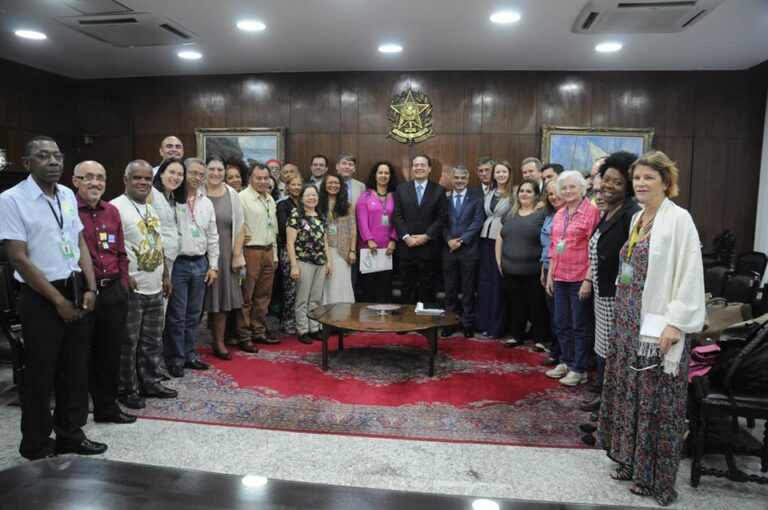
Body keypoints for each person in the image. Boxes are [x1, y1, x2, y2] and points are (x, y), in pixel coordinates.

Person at [598, 151, 705, 506]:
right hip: (629, 322)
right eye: (638, 178)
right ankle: (630, 460)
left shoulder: (679, 220)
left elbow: (690, 274)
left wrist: (676, 323)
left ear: (665, 182)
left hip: (659, 326)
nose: (641, 184)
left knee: (655, 403)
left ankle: (655, 477)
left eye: (649, 178)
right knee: (631, 396)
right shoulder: (638, 219)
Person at [0, 136, 106, 459]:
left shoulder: (67, 196)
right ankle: (34, 443)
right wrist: (57, 302)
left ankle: (70, 434)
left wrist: (90, 287)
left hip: (74, 287)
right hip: (39, 294)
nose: (53, 162)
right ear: (26, 161)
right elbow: (18, 258)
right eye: (43, 156)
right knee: (40, 375)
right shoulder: (11, 199)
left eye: (58, 156)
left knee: (75, 370)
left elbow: (80, 244)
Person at [73, 160, 135, 425]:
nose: (95, 182)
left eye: (100, 177)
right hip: (81, 294)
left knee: (109, 354)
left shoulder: (111, 211)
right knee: (78, 356)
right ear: (75, 181)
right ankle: (75, 418)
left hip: (112, 291)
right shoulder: (67, 211)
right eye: (88, 177)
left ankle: (107, 408)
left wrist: (121, 286)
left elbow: (121, 252)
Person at [111, 160, 176, 408]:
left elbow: (157, 244)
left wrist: (165, 275)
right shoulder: (116, 208)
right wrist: (123, 278)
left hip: (155, 286)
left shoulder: (150, 208)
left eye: (147, 179)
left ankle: (150, 382)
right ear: (125, 180)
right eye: (137, 178)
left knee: (152, 340)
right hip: (132, 289)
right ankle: (126, 390)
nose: (143, 182)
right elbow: (111, 249)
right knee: (128, 343)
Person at [579, 153, 640, 415]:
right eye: (606, 179)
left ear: (627, 186)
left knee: (612, 349)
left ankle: (610, 403)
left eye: (617, 182)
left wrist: (623, 289)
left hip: (618, 295)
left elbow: (631, 257)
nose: (608, 186)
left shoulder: (631, 214)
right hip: (603, 292)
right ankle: (604, 395)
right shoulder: (609, 211)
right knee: (603, 346)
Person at [163, 157, 219, 378]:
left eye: (200, 174)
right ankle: (174, 358)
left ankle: (189, 354)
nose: (196, 178)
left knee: (194, 314)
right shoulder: (171, 200)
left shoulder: (206, 202)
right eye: (192, 173)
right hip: (179, 265)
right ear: (183, 174)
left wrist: (213, 265)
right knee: (176, 315)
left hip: (201, 263)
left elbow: (213, 236)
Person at [545, 171, 601, 386]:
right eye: (564, 188)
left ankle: (580, 368)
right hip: (559, 276)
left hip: (580, 278)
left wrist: (588, 280)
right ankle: (566, 362)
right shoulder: (559, 214)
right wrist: (550, 275)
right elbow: (553, 247)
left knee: (580, 325)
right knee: (561, 323)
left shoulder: (591, 212)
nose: (568, 191)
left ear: (581, 189)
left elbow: (593, 249)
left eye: (572, 187)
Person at [496, 179, 551, 348]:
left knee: (537, 306)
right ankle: (517, 335)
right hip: (510, 269)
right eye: (522, 191)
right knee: (516, 304)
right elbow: (500, 237)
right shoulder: (510, 213)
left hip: (534, 271)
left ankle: (540, 339)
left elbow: (548, 240)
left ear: (536, 195)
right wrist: (499, 262)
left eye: (529, 191)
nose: (524, 194)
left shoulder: (542, 214)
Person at [203, 155, 245, 360]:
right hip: (199, 253)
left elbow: (239, 227)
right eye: (212, 169)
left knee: (221, 300)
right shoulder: (196, 192)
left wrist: (236, 255)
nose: (216, 173)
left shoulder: (232, 194)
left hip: (226, 251)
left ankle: (219, 341)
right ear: (205, 170)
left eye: (220, 170)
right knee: (195, 301)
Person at [393, 154, 448, 305]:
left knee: (428, 289)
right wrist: (406, 237)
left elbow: (442, 218)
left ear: (429, 169)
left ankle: (425, 326)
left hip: (428, 249)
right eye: (416, 165)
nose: (419, 168)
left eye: (422, 165)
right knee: (406, 288)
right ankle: (406, 324)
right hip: (406, 248)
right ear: (412, 168)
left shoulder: (438, 190)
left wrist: (427, 236)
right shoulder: (401, 189)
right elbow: (397, 216)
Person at [237, 163, 279, 351]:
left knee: (263, 296)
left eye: (265, 178)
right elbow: (237, 229)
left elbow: (273, 229)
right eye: (258, 178)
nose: (263, 181)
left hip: (268, 251)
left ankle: (259, 331)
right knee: (246, 297)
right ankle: (244, 336)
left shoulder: (270, 199)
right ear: (250, 178)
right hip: (250, 252)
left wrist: (275, 254)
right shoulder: (241, 199)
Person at [441, 165, 484, 338]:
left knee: (468, 291)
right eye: (456, 178)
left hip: (468, 251)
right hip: (448, 250)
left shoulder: (476, 198)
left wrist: (461, 240)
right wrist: (449, 239)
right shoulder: (445, 198)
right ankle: (449, 323)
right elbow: (442, 222)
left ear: (467, 180)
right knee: (449, 291)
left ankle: (467, 324)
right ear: (452, 179)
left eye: (462, 178)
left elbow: (477, 221)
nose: (459, 181)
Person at [286, 185, 331, 344]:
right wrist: (294, 265)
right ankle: (302, 330)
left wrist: (329, 261)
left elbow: (324, 240)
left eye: (314, 195)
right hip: (303, 261)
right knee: (302, 298)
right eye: (308, 195)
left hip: (320, 261)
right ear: (302, 198)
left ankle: (314, 328)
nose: (312, 198)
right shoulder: (296, 215)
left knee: (316, 298)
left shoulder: (321, 216)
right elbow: (290, 243)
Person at [475, 160, 513, 339]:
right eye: (497, 172)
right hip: (484, 240)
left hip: (502, 241)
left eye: (503, 172)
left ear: (509, 173)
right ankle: (484, 323)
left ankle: (497, 327)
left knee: (498, 285)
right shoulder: (489, 193)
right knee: (485, 283)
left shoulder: (514, 194)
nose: (500, 175)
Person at [356, 161, 398, 303]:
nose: (383, 175)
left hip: (388, 249)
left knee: (385, 287)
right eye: (380, 172)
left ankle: (384, 320)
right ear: (375, 175)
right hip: (369, 248)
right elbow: (361, 220)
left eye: (386, 173)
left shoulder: (396, 196)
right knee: (368, 287)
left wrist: (393, 240)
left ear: (390, 176)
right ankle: (367, 322)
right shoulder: (365, 195)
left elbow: (399, 220)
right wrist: (368, 239)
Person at [318, 171, 356, 304]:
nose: (333, 185)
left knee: (340, 283)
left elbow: (353, 229)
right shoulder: (317, 204)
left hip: (342, 251)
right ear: (324, 185)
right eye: (330, 182)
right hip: (322, 250)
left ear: (341, 185)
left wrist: (352, 251)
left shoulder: (347, 205)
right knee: (325, 283)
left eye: (336, 183)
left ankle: (342, 315)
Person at [539, 180, 564, 364]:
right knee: (552, 313)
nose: (553, 197)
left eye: (557, 192)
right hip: (547, 267)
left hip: (563, 270)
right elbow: (546, 245)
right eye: (550, 194)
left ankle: (563, 356)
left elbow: (560, 248)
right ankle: (556, 351)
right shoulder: (549, 215)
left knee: (561, 315)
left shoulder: (568, 215)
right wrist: (543, 269)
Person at [277, 174, 303, 333]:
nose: (297, 187)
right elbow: (282, 228)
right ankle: (287, 320)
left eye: (299, 184)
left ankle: (300, 319)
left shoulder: (307, 202)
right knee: (290, 288)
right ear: (287, 187)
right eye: (293, 184)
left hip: (306, 252)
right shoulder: (283, 205)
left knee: (302, 288)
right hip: (288, 250)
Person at [151, 157, 185, 274]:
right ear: (161, 173)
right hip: (154, 261)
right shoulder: (151, 194)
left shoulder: (172, 197)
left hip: (170, 261)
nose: (176, 177)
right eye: (172, 172)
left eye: (180, 174)